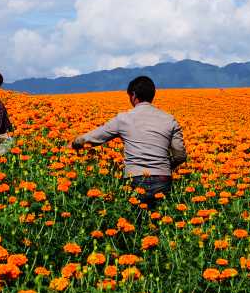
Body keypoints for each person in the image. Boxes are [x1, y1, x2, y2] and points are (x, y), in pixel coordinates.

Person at [70, 76, 186, 210]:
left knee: (134, 217)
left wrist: (75, 143)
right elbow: (180, 155)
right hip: (162, 179)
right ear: (152, 95)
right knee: (160, 216)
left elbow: (96, 137)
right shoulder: (169, 120)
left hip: (135, 179)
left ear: (134, 95)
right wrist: (162, 167)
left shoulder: (124, 119)